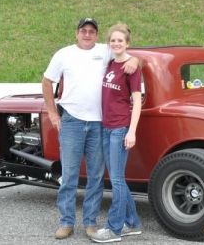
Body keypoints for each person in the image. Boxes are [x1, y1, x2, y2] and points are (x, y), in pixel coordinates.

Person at [42, 18, 139, 240]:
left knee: (96, 176)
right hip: (72, 121)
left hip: (99, 124)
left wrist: (135, 59)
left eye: (91, 32)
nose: (87, 35)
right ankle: (66, 222)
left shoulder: (105, 51)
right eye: (83, 31)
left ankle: (90, 222)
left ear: (96, 35)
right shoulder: (63, 54)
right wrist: (53, 112)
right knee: (69, 175)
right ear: (77, 33)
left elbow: (125, 50)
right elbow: (47, 81)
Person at [90, 23, 142, 243]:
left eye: (120, 40)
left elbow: (137, 102)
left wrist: (132, 132)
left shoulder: (132, 68)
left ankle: (114, 228)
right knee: (117, 178)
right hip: (106, 127)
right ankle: (133, 224)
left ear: (127, 43)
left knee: (117, 180)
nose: (116, 43)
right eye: (113, 40)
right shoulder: (110, 63)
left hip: (121, 128)